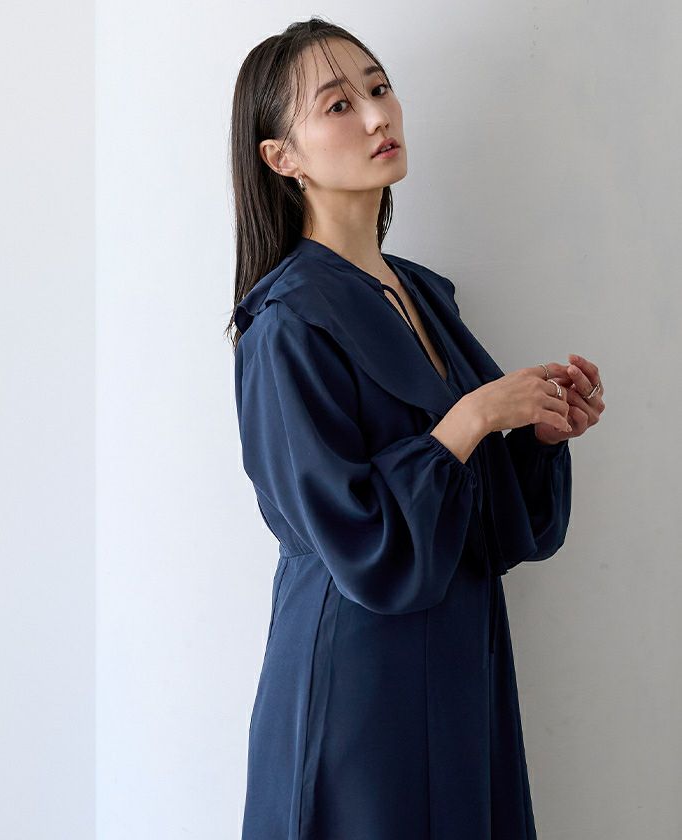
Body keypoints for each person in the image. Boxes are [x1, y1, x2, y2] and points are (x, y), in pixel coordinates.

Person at [226, 17, 605, 840]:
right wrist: (472, 417)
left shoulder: (425, 295)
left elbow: (485, 523)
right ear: (282, 158)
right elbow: (354, 532)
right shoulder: (285, 323)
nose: (377, 115)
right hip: (360, 668)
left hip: (460, 654)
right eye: (339, 105)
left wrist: (538, 435)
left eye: (379, 87)